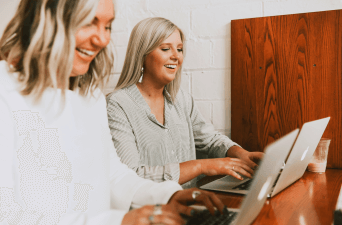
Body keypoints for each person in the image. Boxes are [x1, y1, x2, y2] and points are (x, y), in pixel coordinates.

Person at [0, 1, 226, 224]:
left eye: (107, 26)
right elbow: (7, 214)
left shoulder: (90, 96)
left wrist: (168, 195)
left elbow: (113, 174)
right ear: (47, 18)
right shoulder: (5, 92)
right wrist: (120, 221)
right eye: (89, 22)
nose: (102, 39)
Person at [106, 17, 264, 188]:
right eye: (166, 48)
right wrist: (201, 166)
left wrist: (240, 153)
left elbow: (209, 140)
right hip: (151, 211)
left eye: (180, 49)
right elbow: (131, 176)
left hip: (190, 203)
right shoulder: (117, 105)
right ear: (142, 55)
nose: (176, 56)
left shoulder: (181, 100)